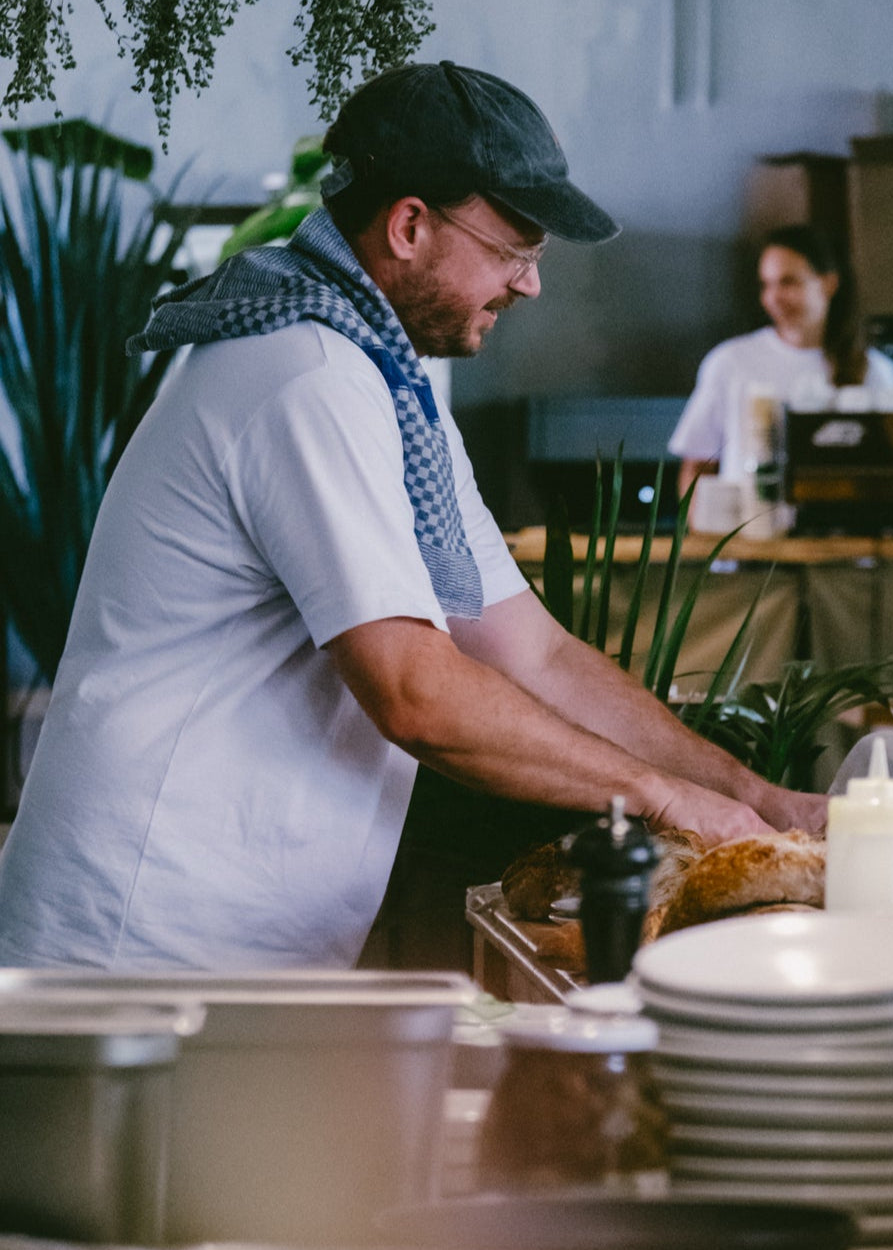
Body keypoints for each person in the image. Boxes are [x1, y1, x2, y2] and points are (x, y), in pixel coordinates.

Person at [0, 62, 826, 971]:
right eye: (513, 249)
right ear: (408, 225)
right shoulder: (307, 375)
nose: (529, 284)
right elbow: (416, 692)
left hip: (222, 947)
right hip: (136, 946)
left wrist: (760, 801)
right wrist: (662, 798)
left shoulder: (388, 389)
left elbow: (532, 652)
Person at [668, 224, 893, 501]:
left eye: (788, 282)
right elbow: (697, 466)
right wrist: (699, 525)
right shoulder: (730, 361)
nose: (773, 297)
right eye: (767, 284)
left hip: (842, 523)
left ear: (829, 283)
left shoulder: (874, 370)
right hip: (749, 526)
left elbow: (891, 475)